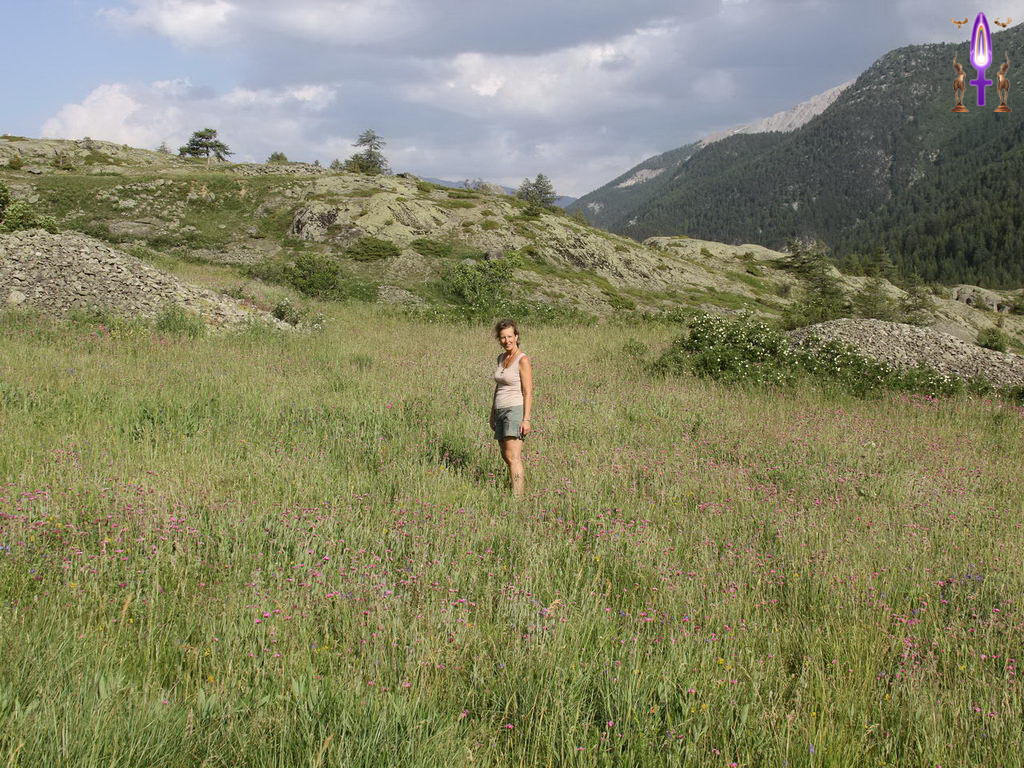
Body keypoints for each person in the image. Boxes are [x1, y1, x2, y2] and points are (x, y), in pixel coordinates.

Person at [489, 318, 533, 497]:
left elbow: (528, 391)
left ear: (516, 336)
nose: (506, 341)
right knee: (505, 455)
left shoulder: (522, 359)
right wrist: (492, 412)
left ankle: (518, 498)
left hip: (514, 409)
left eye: (509, 336)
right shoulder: (501, 358)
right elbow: (498, 387)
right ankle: (515, 487)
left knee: (513, 456)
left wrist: (526, 418)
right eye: (502, 337)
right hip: (500, 409)